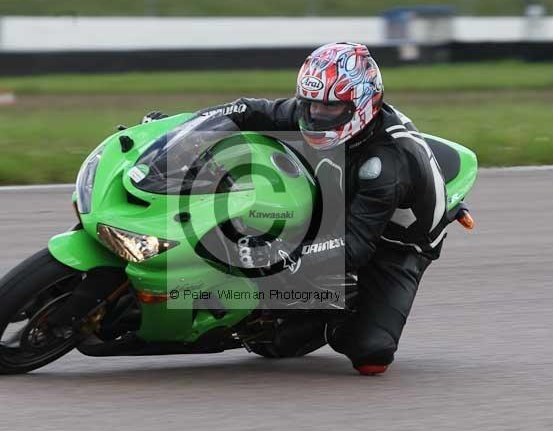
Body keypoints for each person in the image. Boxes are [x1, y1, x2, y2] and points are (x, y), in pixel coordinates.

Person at [144, 42, 449, 376]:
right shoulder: (316, 112)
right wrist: (177, 132)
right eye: (310, 105)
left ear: (365, 105)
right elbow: (244, 110)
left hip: (396, 241)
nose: (317, 116)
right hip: (339, 187)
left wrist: (274, 256)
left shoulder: (384, 166)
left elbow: (356, 247)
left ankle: (328, 318)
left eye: (331, 109)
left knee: (371, 354)